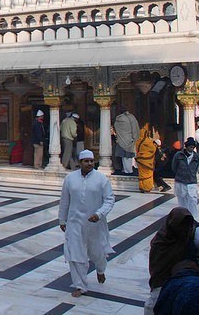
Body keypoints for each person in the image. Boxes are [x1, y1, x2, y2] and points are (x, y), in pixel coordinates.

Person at [58, 149, 115, 297]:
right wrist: (62, 219)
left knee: (98, 252)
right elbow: (65, 201)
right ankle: (80, 285)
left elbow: (109, 199)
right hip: (75, 222)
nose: (89, 163)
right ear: (79, 163)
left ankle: (100, 269)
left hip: (95, 224)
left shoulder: (101, 179)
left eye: (91, 161)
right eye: (86, 161)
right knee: (75, 253)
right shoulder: (70, 179)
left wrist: (99, 214)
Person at [144, 207, 199, 314]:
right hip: (162, 286)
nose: (183, 228)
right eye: (181, 224)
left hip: (183, 288)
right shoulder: (160, 241)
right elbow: (157, 267)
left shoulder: (189, 238)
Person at [172, 138, 199, 218]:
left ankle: (193, 217)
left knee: (192, 200)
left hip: (191, 181)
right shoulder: (178, 155)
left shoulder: (196, 156)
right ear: (186, 147)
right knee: (182, 200)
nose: (191, 149)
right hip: (180, 181)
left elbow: (196, 167)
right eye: (190, 147)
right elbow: (174, 167)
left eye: (193, 147)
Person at [113, 108, 139, 175]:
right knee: (128, 156)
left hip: (122, 139)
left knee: (124, 156)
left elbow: (116, 126)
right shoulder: (132, 117)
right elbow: (135, 128)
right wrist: (134, 137)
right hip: (130, 139)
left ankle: (126, 169)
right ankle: (128, 170)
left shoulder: (118, 118)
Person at [136, 123, 159, 193]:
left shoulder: (138, 141)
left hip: (140, 160)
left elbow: (137, 149)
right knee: (148, 174)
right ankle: (147, 187)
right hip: (148, 161)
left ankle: (142, 187)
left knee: (142, 174)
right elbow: (153, 149)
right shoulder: (148, 141)